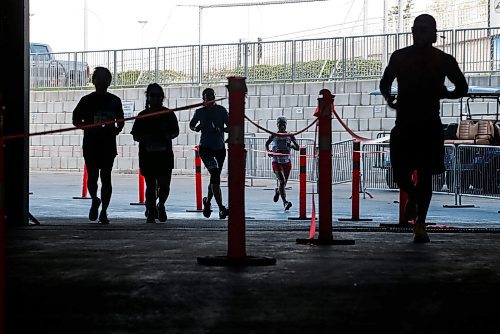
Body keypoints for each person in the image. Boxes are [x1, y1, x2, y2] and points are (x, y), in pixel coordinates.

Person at [379, 14, 468, 243]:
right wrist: (390, 98)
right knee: (399, 174)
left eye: (425, 29)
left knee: (425, 175)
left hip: (427, 123)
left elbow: (462, 87)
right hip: (408, 124)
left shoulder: (443, 60)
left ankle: (420, 223)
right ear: (412, 31)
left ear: (434, 33)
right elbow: (385, 82)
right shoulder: (401, 57)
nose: (421, 33)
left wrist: (446, 93)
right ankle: (415, 199)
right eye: (418, 29)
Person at [72, 67, 124, 224]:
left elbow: (120, 121)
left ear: (109, 81)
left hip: (107, 145)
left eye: (104, 79)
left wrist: (115, 131)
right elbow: (75, 120)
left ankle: (105, 211)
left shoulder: (115, 101)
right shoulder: (86, 100)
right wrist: (88, 128)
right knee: (93, 177)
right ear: (93, 81)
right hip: (91, 144)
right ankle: (95, 199)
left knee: (106, 178)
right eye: (98, 79)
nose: (101, 82)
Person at [131, 83, 179, 223]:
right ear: (148, 97)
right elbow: (135, 135)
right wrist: (146, 138)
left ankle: (161, 205)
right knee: (150, 185)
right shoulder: (142, 115)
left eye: (158, 96)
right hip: (148, 155)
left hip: (164, 155)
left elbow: (175, 132)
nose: (155, 98)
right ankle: (151, 209)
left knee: (164, 185)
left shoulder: (168, 114)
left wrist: (166, 135)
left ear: (162, 97)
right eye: (152, 95)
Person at [189, 88, 229, 219]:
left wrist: (221, 129)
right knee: (215, 175)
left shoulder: (222, 111)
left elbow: (230, 127)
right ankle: (221, 208)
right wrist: (196, 128)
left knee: (214, 178)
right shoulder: (199, 112)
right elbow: (191, 125)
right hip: (205, 149)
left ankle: (207, 201)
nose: (210, 99)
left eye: (212, 96)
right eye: (207, 97)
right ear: (203, 99)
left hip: (219, 149)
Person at [265, 116, 299, 211]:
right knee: (282, 181)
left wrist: (291, 145)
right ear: (277, 125)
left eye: (283, 125)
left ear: (285, 125)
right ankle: (285, 202)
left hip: (286, 162)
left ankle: (277, 190)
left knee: (283, 184)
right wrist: (269, 151)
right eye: (280, 125)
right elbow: (267, 144)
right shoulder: (274, 135)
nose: (282, 127)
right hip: (276, 161)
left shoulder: (290, 135)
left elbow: (298, 147)